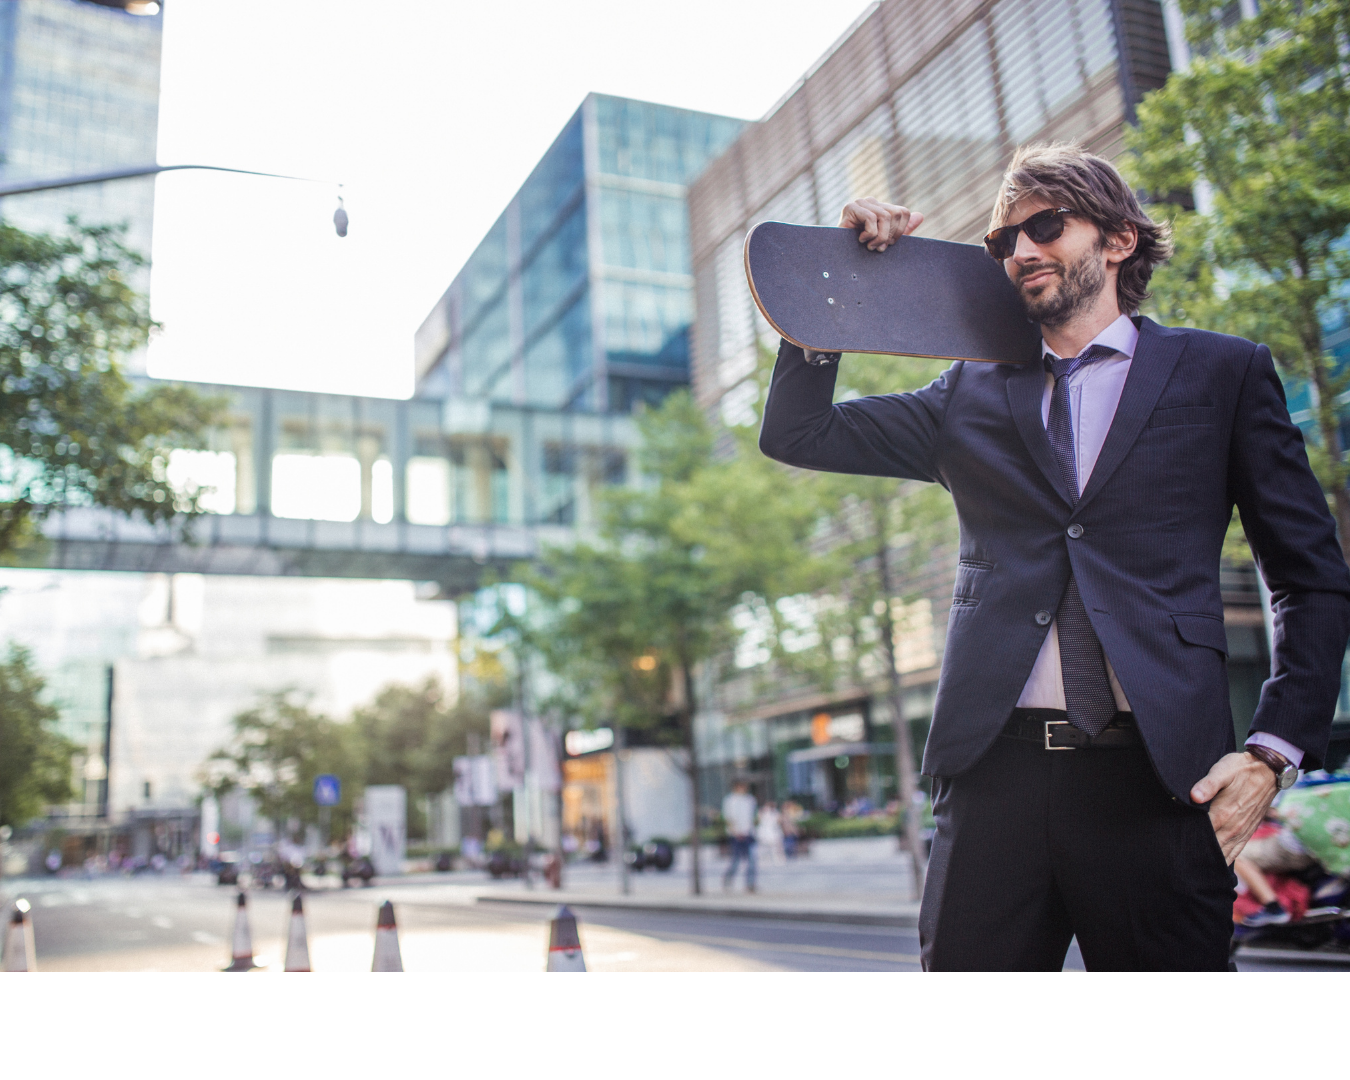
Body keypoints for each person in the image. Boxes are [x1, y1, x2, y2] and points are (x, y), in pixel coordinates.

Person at [758, 143, 1350, 970]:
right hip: (994, 780)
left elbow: (1313, 579)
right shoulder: (965, 393)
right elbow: (798, 433)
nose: (1021, 251)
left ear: (1117, 241)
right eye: (1003, 241)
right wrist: (837, 284)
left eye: (1045, 225)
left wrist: (1272, 755)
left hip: (1162, 785)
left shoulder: (1224, 374)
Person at [722, 780, 758, 892]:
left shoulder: (750, 800)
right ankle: (728, 880)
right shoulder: (730, 800)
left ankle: (750, 884)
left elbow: (753, 817)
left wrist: (751, 829)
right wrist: (735, 831)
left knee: (752, 860)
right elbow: (728, 818)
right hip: (735, 835)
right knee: (735, 861)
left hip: (748, 834)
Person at [756, 800, 786, 865]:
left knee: (775, 846)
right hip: (766, 831)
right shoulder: (763, 812)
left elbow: (779, 821)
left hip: (772, 830)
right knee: (764, 846)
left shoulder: (775, 812)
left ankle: (777, 858)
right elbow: (759, 819)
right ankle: (764, 858)